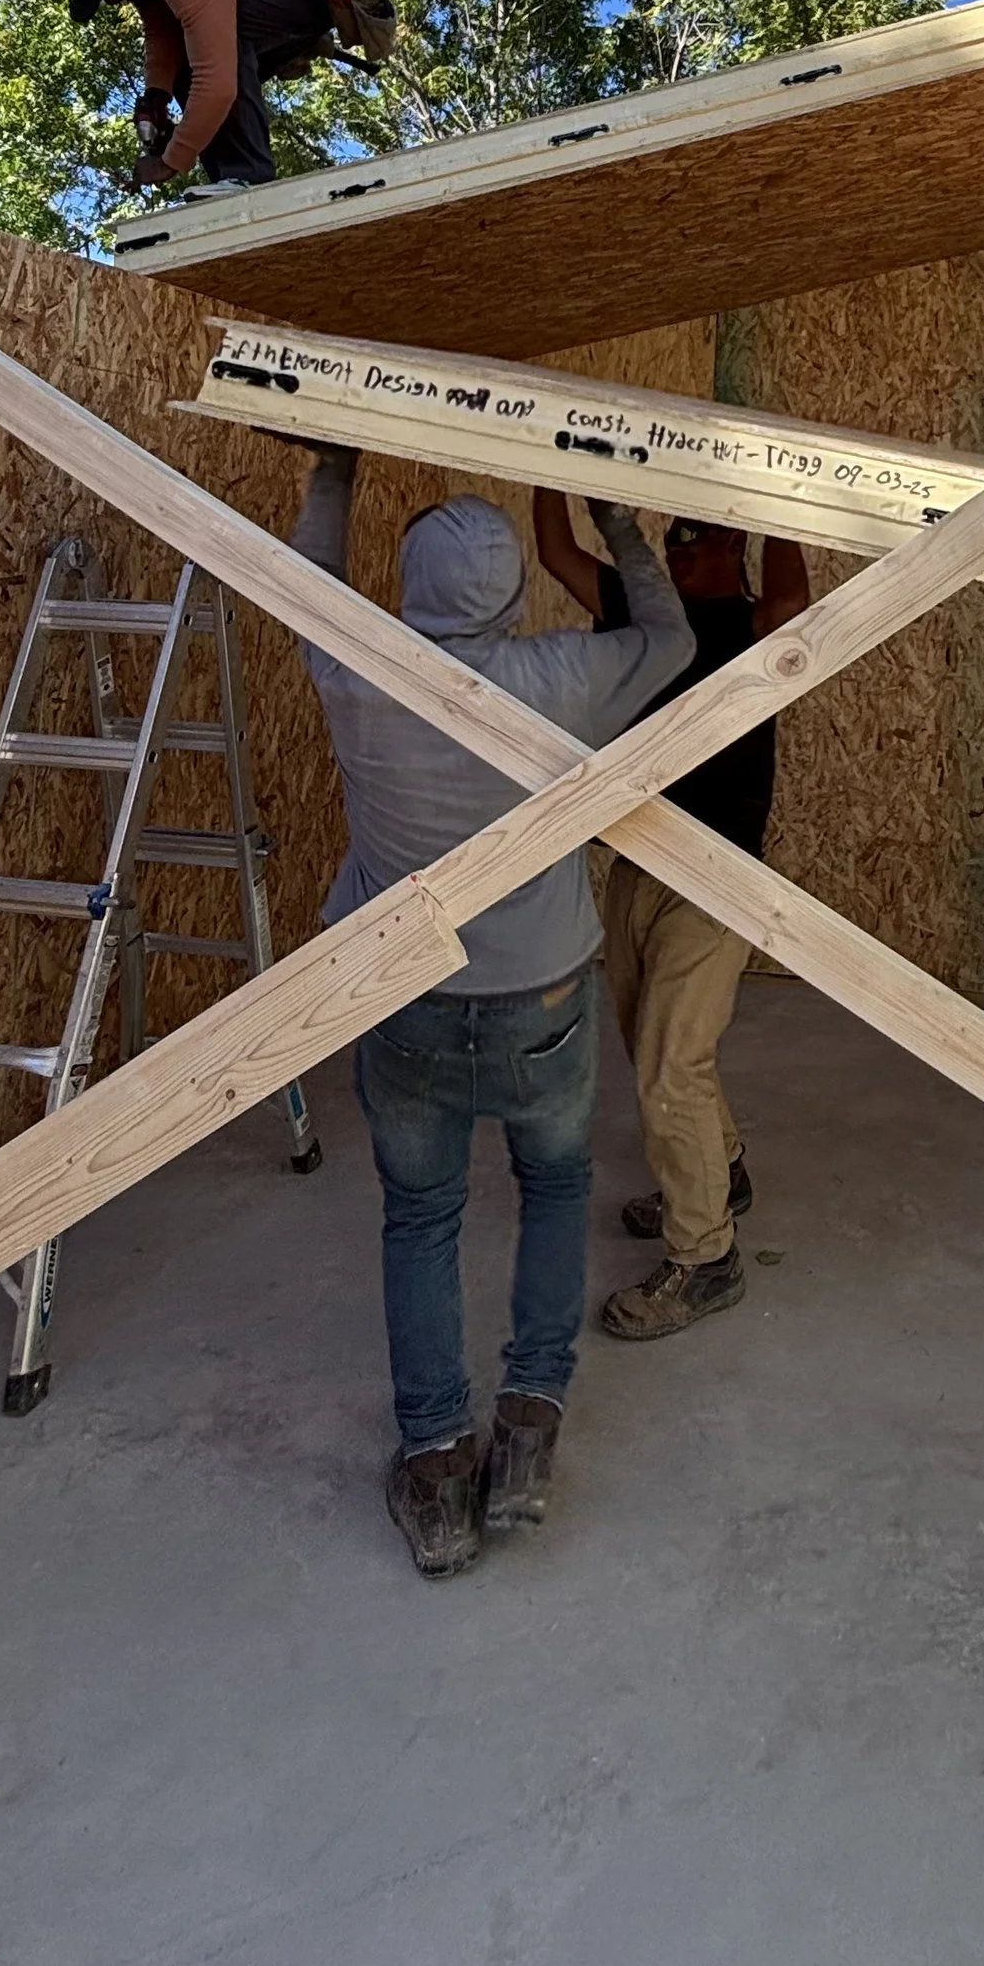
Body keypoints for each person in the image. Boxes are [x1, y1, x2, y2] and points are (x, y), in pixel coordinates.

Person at [289, 452, 692, 1578]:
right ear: (514, 591)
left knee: (420, 1218)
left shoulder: (357, 667)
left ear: (412, 587)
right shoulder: (561, 673)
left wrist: (333, 472)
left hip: (410, 993)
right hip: (544, 998)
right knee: (554, 1188)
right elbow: (672, 644)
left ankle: (433, 1473)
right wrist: (617, 523)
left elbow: (302, 574)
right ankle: (525, 1432)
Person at [531, 493, 810, 1341]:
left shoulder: (757, 623)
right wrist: (553, 466)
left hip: (716, 878)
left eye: (700, 537)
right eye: (673, 538)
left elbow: (796, 591)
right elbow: (554, 550)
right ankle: (719, 1171)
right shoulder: (642, 614)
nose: (680, 549)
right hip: (640, 861)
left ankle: (706, 1256)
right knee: (649, 1039)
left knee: (668, 1064)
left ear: (736, 545)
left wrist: (774, 497)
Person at [41, 0, 337, 192]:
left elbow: (217, 84)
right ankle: (229, 181)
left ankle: (248, 177)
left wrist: (168, 163)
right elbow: (160, 25)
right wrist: (156, 95)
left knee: (214, 45)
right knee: (194, 52)